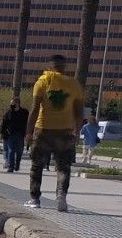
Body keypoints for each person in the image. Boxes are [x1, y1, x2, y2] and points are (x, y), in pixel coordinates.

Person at [24, 54, 84, 211]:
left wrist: (29, 132)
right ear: (64, 67)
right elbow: (79, 112)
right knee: (64, 167)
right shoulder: (74, 84)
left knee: (37, 166)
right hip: (65, 131)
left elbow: (35, 108)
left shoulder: (42, 82)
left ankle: (35, 198)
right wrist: (76, 131)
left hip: (43, 129)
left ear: (50, 66)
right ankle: (61, 197)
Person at [0, 95, 29, 173]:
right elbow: (4, 123)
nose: (12, 105)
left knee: (19, 151)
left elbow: (28, 123)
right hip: (10, 134)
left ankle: (17, 163)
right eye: (11, 104)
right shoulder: (8, 113)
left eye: (13, 104)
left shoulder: (24, 112)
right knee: (11, 151)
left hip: (20, 134)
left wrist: (28, 132)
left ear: (18, 103)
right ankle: (11, 167)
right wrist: (2, 133)